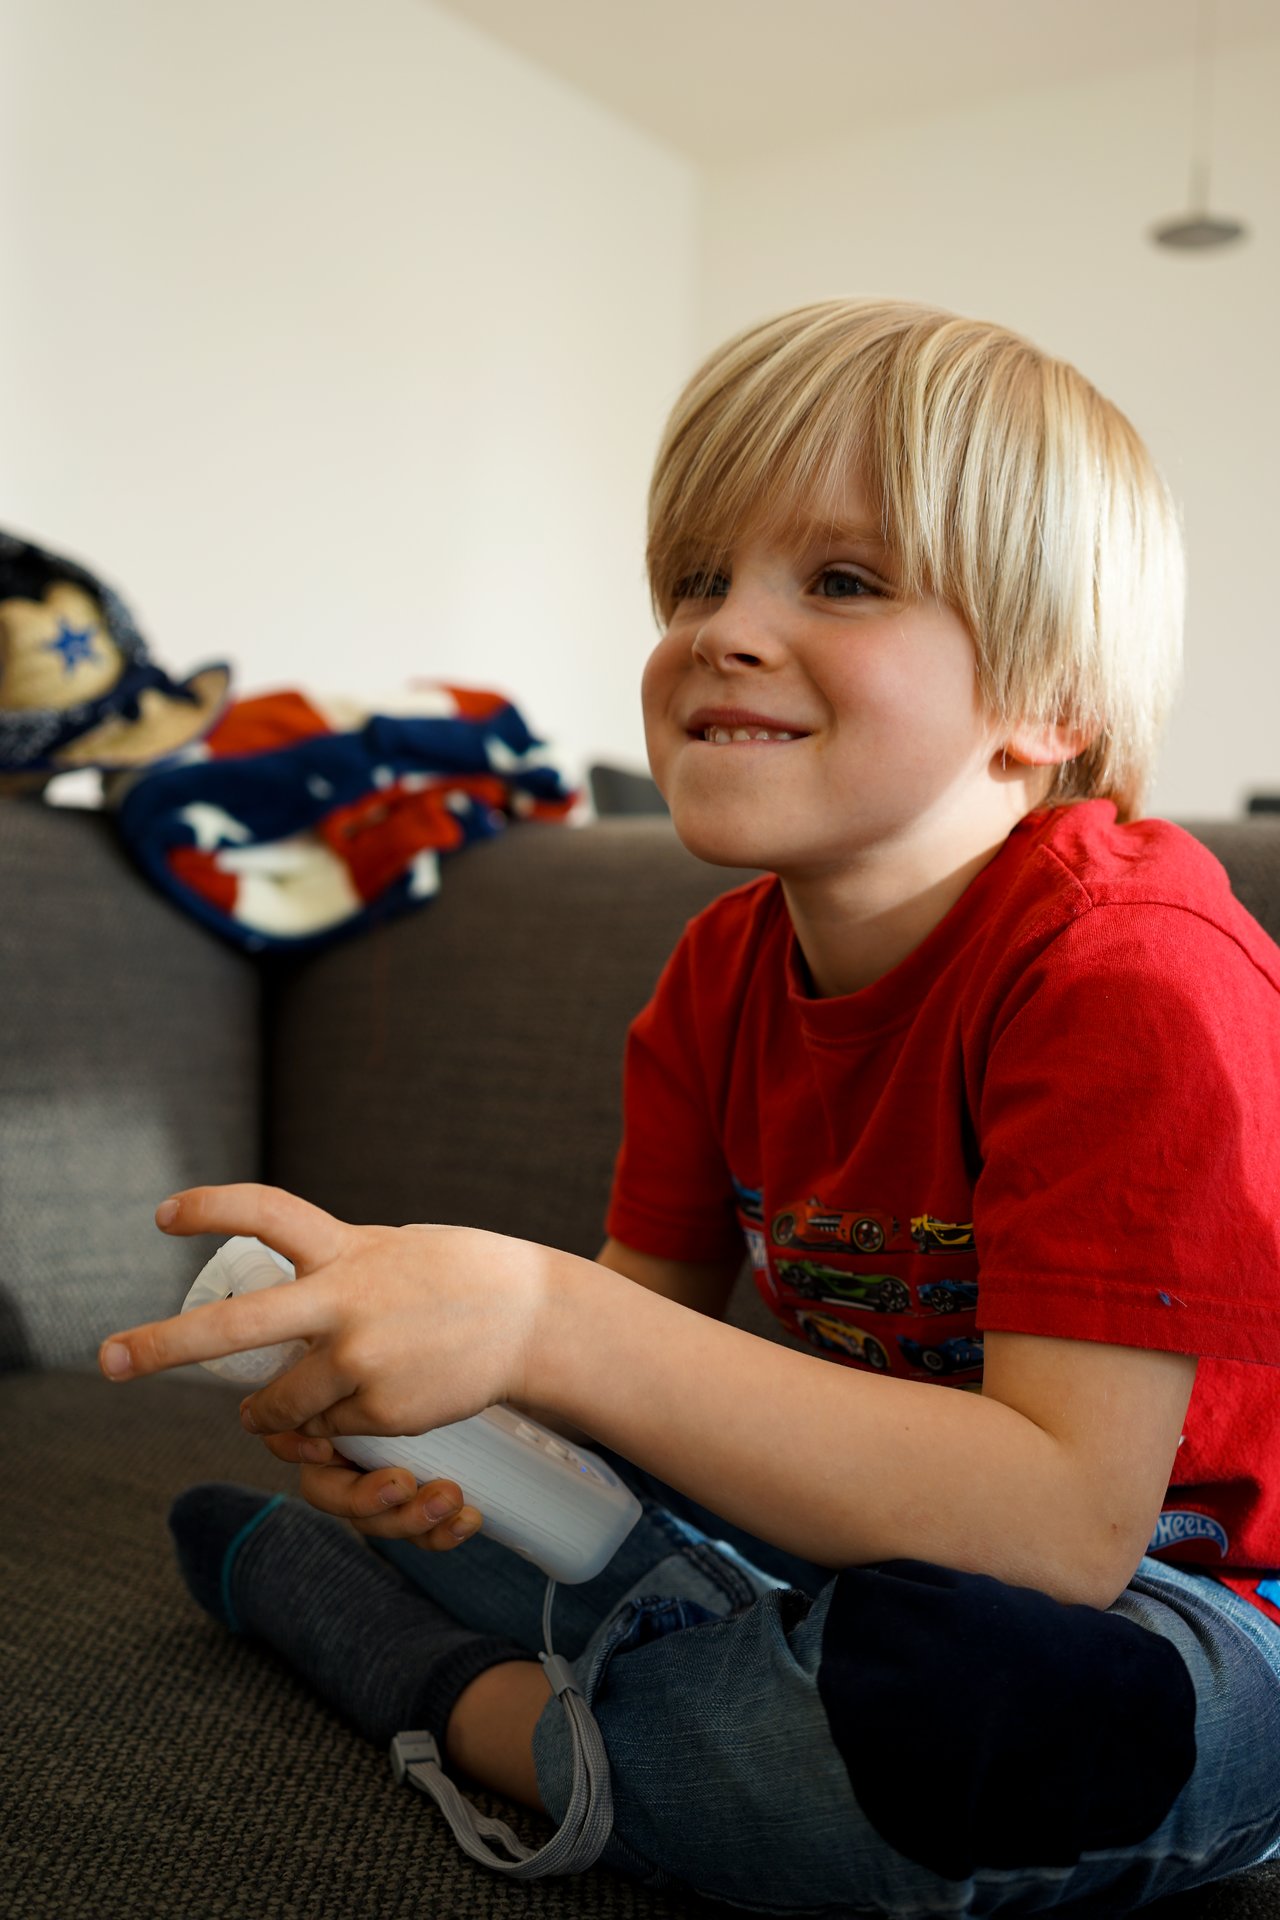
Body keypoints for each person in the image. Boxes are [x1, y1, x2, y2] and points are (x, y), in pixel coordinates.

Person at [100, 298, 1280, 1914]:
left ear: (1049, 698)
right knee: (489, 1495)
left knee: (974, 1719)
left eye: (841, 581)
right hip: (865, 1543)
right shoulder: (719, 975)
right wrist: (443, 1412)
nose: (724, 630)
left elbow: (1064, 1530)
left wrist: (540, 1317)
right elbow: (631, 1385)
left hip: (1187, 1598)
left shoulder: (1133, 974)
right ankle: (649, 1677)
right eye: (701, 579)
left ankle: (437, 1685)